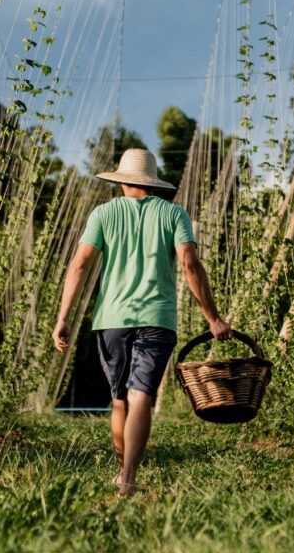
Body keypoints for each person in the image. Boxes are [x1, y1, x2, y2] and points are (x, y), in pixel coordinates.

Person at [53, 148, 232, 497]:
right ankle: (129, 478)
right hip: (157, 318)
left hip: (111, 321)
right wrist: (213, 317)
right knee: (140, 398)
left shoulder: (103, 214)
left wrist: (63, 318)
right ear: (152, 182)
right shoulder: (174, 214)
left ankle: (123, 473)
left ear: (121, 180)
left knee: (119, 399)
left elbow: (78, 265)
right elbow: (190, 265)